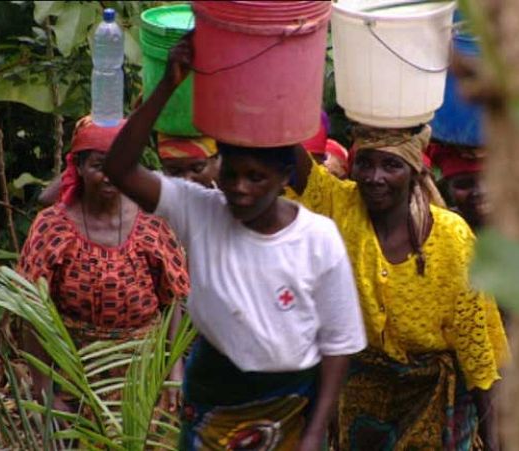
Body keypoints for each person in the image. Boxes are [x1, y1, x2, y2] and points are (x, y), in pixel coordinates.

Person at [102, 34, 366, 451]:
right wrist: (167, 85)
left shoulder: (317, 239)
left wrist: (315, 432)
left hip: (291, 400)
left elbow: (339, 344)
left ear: (284, 180)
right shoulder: (200, 208)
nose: (239, 189)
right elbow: (119, 168)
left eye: (256, 177)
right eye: (231, 174)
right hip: (214, 391)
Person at [291, 123, 509, 450]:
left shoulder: (451, 239)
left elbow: (477, 353)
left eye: (391, 165)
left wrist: (495, 443)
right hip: (364, 397)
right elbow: (289, 159)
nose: (374, 177)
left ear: (413, 171)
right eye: (365, 162)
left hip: (435, 398)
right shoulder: (340, 207)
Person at [17, 116, 191, 410]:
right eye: (99, 165)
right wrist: (45, 391)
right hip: (74, 372)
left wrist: (174, 370)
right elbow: (31, 312)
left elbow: (172, 299)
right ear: (80, 168)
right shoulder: (53, 227)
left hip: (142, 373)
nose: (111, 175)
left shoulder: (152, 221)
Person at [428, 142, 488, 229]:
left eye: (490, 181)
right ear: (448, 190)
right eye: (464, 184)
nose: (480, 191)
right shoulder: (438, 231)